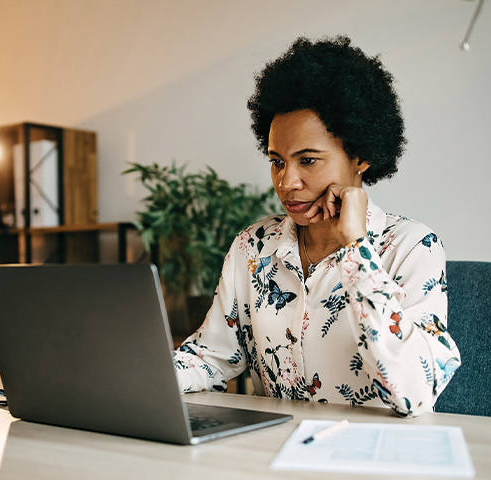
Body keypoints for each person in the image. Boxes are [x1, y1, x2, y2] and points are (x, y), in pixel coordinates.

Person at [172, 35, 461, 417]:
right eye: (277, 161)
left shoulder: (412, 247)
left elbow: (415, 393)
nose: (285, 182)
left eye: (307, 161)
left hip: (374, 461)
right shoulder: (253, 246)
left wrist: (356, 247)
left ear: (360, 157)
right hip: (273, 456)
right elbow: (211, 356)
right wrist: (133, 373)